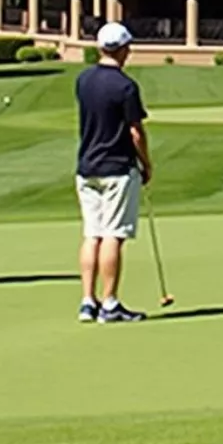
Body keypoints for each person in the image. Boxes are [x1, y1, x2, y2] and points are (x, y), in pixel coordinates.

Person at [75, 21, 154, 324]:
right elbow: (136, 132)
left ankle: (87, 301)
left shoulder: (83, 80)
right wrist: (146, 163)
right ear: (123, 49)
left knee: (92, 234)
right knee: (113, 235)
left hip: (86, 167)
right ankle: (109, 303)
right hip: (117, 168)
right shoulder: (125, 86)